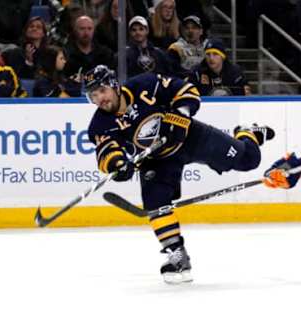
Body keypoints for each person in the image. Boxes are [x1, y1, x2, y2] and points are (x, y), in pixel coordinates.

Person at [84, 64, 275, 284]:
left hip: (190, 137)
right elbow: (106, 152)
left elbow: (185, 90)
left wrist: (180, 115)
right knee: (155, 202)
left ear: (114, 85)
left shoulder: (145, 85)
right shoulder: (99, 125)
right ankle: (176, 255)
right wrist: (117, 165)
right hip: (156, 159)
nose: (100, 99)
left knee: (250, 160)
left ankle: (247, 133)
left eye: (102, 91)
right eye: (93, 95)